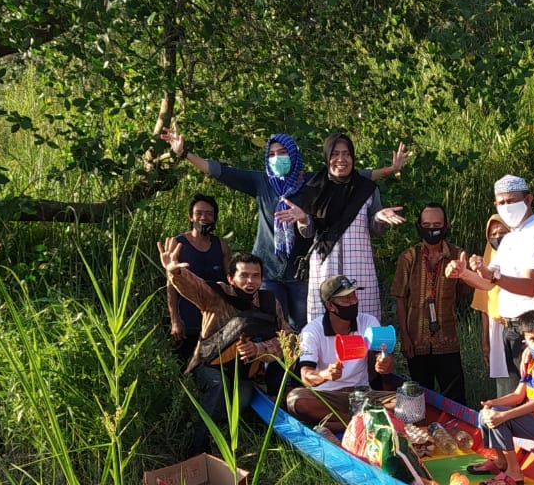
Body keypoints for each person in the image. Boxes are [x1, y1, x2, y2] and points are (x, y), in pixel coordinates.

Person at [160, 128, 312, 329]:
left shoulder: (311, 183)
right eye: (272, 154)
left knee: (303, 328)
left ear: (293, 154)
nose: (277, 158)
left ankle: (302, 362)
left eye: (283, 153)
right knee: (270, 327)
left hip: (300, 272)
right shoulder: (262, 182)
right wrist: (184, 153)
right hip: (267, 271)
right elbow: (220, 172)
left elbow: (346, 174)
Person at [159, 239, 292, 456]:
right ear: (231, 278)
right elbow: (195, 286)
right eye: (244, 275)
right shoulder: (216, 295)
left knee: (244, 400)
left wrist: (259, 349)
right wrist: (175, 273)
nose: (250, 281)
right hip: (208, 366)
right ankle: (197, 449)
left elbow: (289, 340)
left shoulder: (269, 302)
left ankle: (228, 443)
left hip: (244, 374)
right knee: (218, 385)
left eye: (256, 276)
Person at [280, 133, 408, 325]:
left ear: (353, 158)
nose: (341, 159)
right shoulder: (314, 188)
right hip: (324, 268)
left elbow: (376, 229)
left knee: (365, 326)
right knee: (324, 325)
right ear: (327, 157)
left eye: (347, 154)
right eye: (335, 154)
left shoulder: (367, 188)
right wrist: (304, 220)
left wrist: (379, 218)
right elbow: (308, 232)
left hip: (360, 267)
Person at [446, 175, 534, 376]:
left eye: (512, 201)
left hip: (533, 329)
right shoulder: (511, 237)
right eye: (501, 203)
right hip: (511, 328)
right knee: (518, 392)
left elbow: (531, 286)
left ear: (528, 200)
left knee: (533, 396)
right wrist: (465, 274)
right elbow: (488, 284)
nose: (507, 207)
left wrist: (494, 277)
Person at [467, 309, 534, 485]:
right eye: (532, 339)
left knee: (499, 418)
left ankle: (514, 472)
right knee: (485, 414)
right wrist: (493, 403)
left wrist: (505, 415)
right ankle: (501, 462)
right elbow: (519, 395)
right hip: (533, 419)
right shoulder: (531, 361)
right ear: (525, 341)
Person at [285, 274, 397, 429]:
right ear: (330, 305)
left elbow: (384, 358)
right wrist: (324, 375)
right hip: (326, 396)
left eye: (354, 296)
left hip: (362, 394)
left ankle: (341, 424)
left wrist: (386, 363)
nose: (353, 302)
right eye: (346, 299)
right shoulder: (312, 331)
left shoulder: (369, 322)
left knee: (405, 404)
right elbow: (305, 375)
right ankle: (359, 422)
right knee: (296, 400)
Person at [391, 203, 468, 403]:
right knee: (420, 398)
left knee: (455, 397)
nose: (432, 228)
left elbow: (463, 292)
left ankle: (457, 433)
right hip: (416, 341)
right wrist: (405, 338)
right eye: (427, 224)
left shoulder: (457, 255)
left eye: (437, 224)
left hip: (447, 340)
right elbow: (400, 298)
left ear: (445, 225)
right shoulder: (408, 257)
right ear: (419, 226)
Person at [166, 194, 231, 368]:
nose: (204, 218)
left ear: (215, 218)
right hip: (187, 315)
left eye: (209, 214)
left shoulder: (221, 245)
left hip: (214, 316)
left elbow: (229, 281)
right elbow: (171, 285)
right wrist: (175, 320)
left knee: (213, 364)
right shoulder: (178, 244)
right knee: (185, 364)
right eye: (199, 213)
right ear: (191, 216)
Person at [469, 215, 516, 397]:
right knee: (505, 384)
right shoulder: (489, 257)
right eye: (493, 234)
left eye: (502, 232)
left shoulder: (523, 256)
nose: (497, 237)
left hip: (521, 326)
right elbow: (485, 302)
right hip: (497, 328)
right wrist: (485, 341)